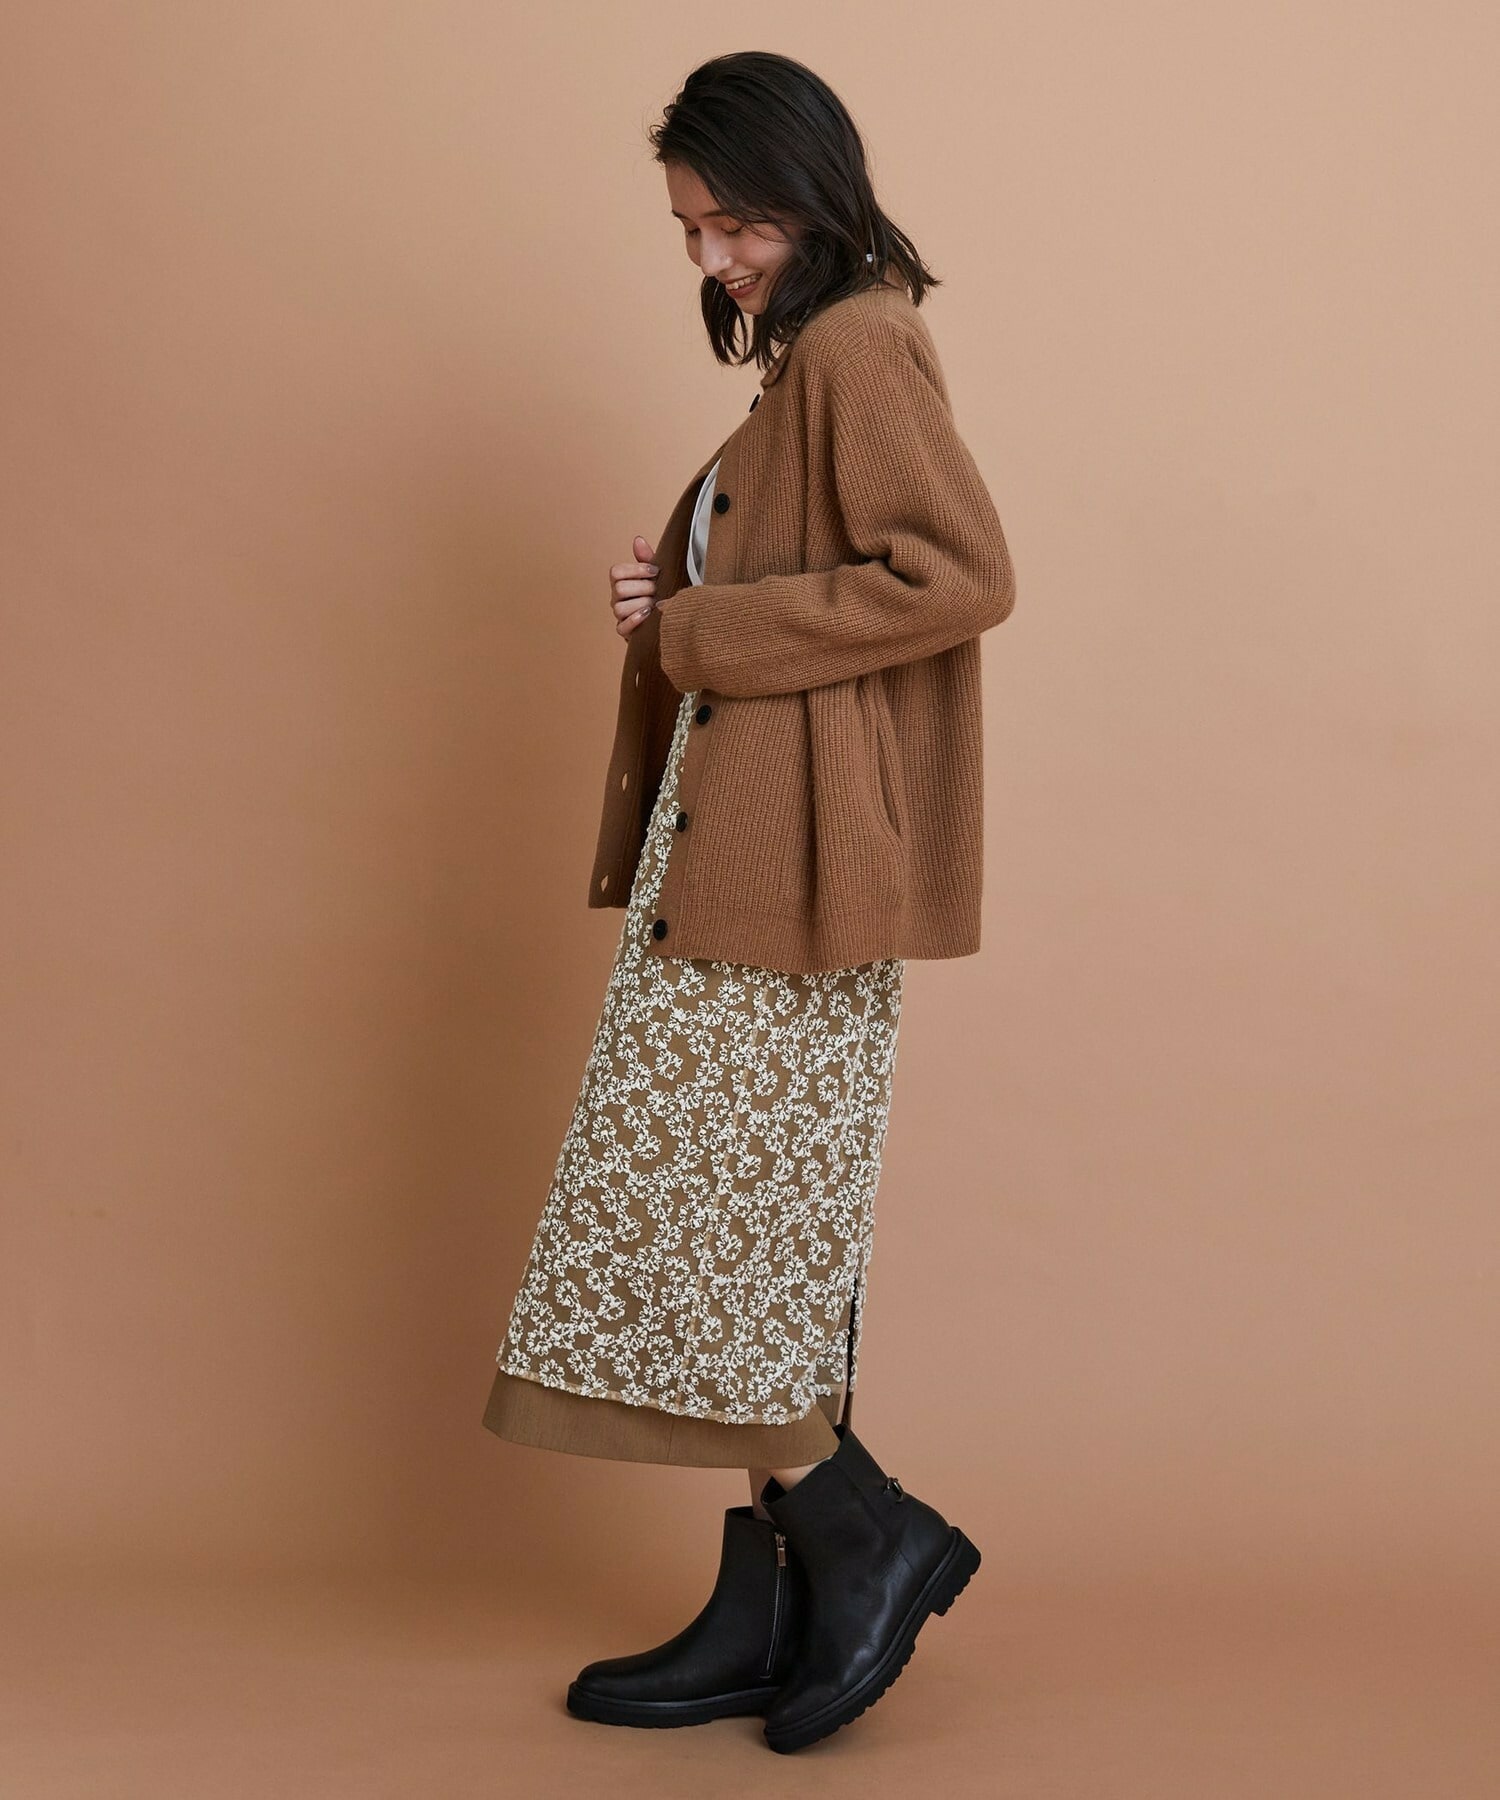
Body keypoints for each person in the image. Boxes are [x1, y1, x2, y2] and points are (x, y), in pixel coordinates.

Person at [482, 50, 1016, 1754]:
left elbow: (960, 574)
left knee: (710, 1219)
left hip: (788, 872)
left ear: (813, 196)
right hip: (740, 852)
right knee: (760, 1236)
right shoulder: (801, 367)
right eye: (691, 232)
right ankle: (773, 1597)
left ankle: (868, 1534)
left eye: (737, 225)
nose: (713, 260)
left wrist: (704, 627)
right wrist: (679, 586)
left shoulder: (860, 345)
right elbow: (796, 583)